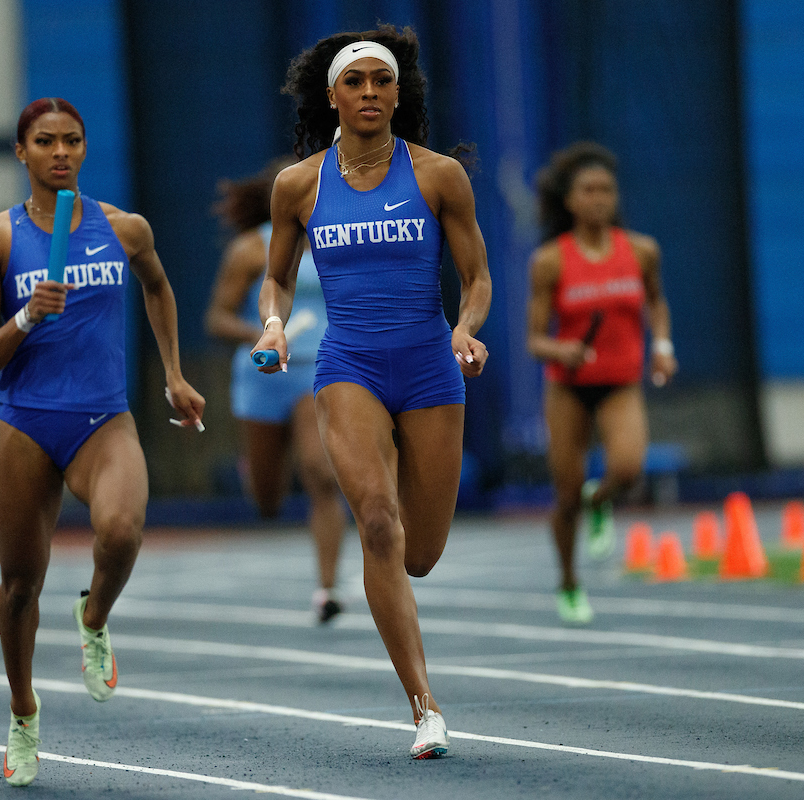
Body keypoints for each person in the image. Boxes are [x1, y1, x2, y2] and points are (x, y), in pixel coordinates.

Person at [252, 26, 491, 758]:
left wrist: (466, 330)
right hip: (347, 363)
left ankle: (415, 657)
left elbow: (476, 277)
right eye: (353, 83)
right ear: (330, 96)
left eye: (380, 83)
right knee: (378, 524)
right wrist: (272, 326)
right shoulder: (298, 186)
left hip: (428, 367)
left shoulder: (437, 175)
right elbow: (279, 277)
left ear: (398, 93)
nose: (367, 94)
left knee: (418, 554)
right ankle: (425, 707)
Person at [0, 97, 205, 787]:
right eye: (44, 142)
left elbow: (158, 288)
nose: (59, 152)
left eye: (71, 141)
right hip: (26, 420)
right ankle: (23, 711)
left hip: (103, 418)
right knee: (17, 588)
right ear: (22, 153)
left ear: (84, 149)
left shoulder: (122, 229)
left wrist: (175, 374)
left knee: (123, 531)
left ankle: (93, 616)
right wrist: (24, 317)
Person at [525, 141, 677, 625]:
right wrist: (561, 349)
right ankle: (569, 582)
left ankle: (601, 498)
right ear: (569, 201)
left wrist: (662, 347)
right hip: (568, 384)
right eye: (588, 190)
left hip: (619, 380)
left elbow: (656, 303)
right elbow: (534, 339)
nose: (598, 198)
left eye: (606, 190)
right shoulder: (550, 261)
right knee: (564, 493)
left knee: (629, 468)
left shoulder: (641, 250)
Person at [205, 158, 347, 623]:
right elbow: (217, 318)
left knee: (321, 475)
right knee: (267, 499)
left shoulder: (338, 238)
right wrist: (261, 335)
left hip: (318, 370)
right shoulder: (252, 248)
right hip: (264, 375)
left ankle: (327, 589)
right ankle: (259, 467)